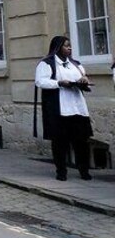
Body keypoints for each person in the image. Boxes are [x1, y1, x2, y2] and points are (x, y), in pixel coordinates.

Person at [34, 36, 93, 181]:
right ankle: (61, 171)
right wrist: (59, 83)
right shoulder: (46, 63)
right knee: (60, 143)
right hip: (60, 109)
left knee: (81, 142)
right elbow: (40, 81)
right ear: (58, 47)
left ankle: (84, 170)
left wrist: (84, 80)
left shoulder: (76, 64)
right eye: (66, 46)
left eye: (70, 46)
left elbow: (84, 79)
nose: (69, 48)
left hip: (78, 108)